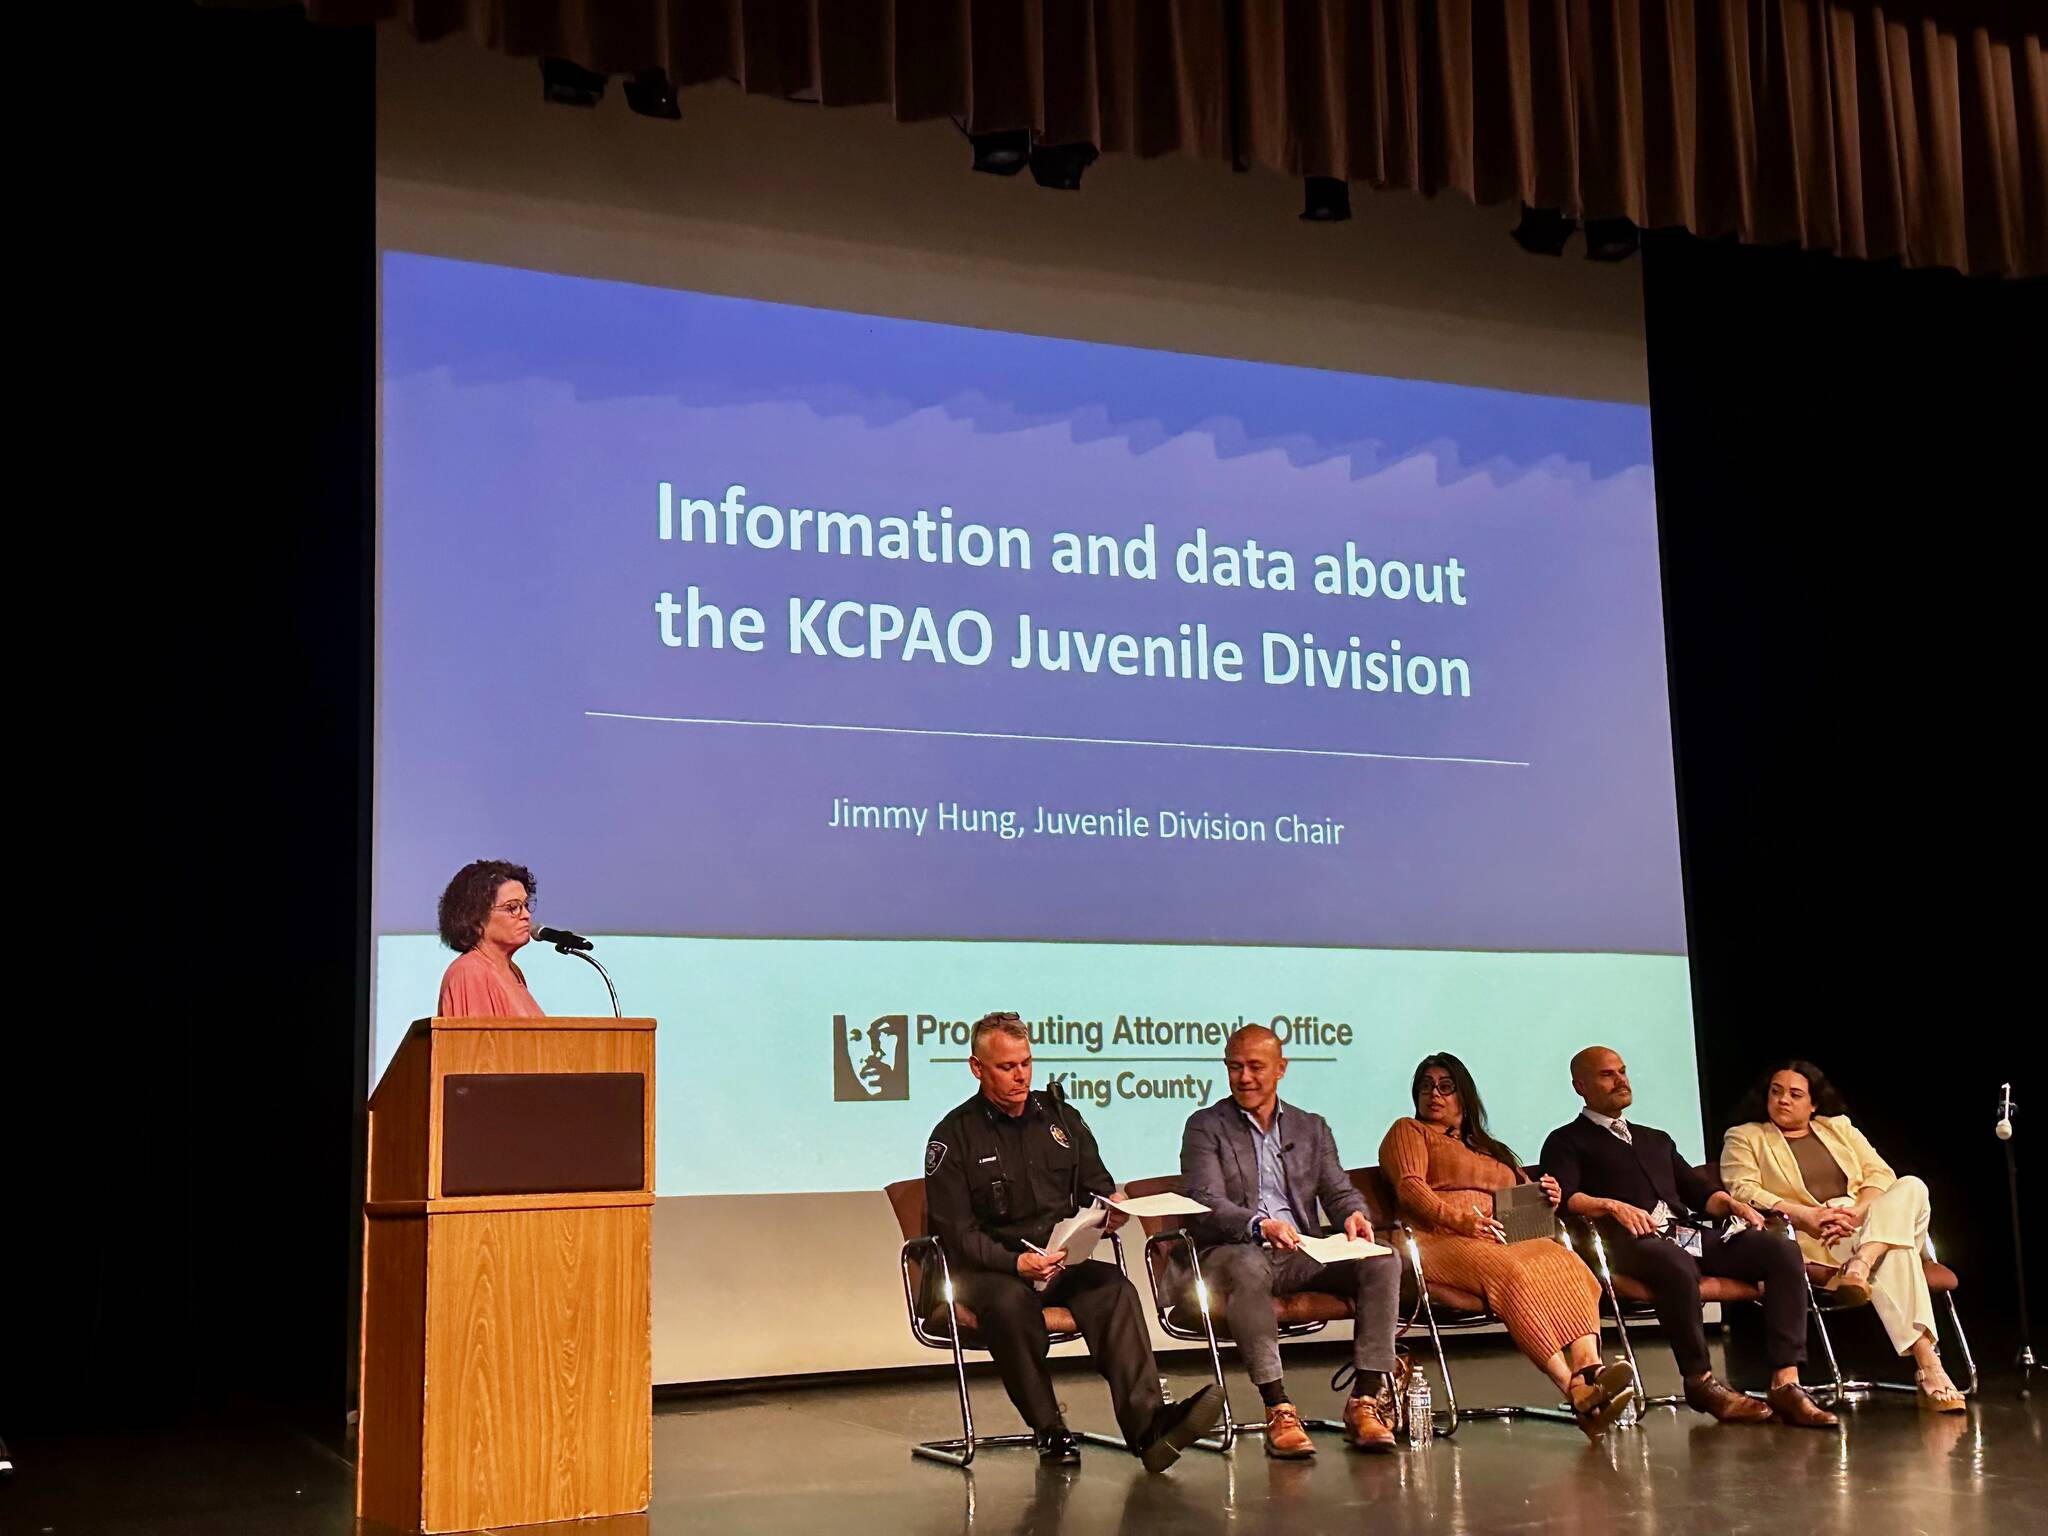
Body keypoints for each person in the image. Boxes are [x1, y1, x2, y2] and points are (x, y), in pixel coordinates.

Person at [922, 1012, 1224, 1470]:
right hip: (990, 1272)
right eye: (1006, 1067)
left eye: (1026, 1062)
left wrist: (1114, 1209)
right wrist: (1015, 1264)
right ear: (977, 1068)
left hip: (1059, 1259)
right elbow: (956, 1234)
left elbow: (1098, 1186)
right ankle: (1050, 1430)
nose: (1020, 1075)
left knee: (1114, 1290)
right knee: (1009, 1304)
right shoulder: (953, 1136)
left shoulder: (1060, 1118)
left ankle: (1151, 1427)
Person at [1542, 1046, 1837, 1428]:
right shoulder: (1566, 1140)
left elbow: (1700, 1194)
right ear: (1580, 1086)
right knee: (1673, 1262)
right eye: (1607, 1075)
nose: (1621, 1081)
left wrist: (1733, 1204)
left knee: (1779, 1251)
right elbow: (1564, 1197)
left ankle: (1786, 1382)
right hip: (1625, 1243)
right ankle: (1700, 1380)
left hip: (1684, 1234)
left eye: (1623, 1071)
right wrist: (1612, 1206)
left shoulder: (1655, 1139)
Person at [1378, 1053, 1636, 1441]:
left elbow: (1520, 1200)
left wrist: (1546, 1195)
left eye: (1445, 1086)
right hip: (1436, 1237)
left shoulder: (1490, 1149)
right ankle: (1573, 1389)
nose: (1434, 1094)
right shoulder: (1409, 1131)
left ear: (1463, 1096)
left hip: (1500, 1237)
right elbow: (1411, 1188)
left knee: (1567, 1261)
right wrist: (1460, 1219)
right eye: (1426, 1086)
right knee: (1513, 1274)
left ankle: (1589, 1371)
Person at [1176, 1025, 1404, 1456]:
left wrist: (1354, 1215)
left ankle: (1366, 1400)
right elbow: (1205, 1201)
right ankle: (1278, 1407)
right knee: (1247, 1265)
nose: (1244, 1077)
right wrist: (1259, 1224)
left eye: (1255, 1067)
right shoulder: (1205, 1126)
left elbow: (1338, 1190)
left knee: (1382, 1258)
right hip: (1233, 1252)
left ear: (1281, 1069)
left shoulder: (1311, 1127)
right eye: (1234, 1067)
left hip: (1301, 1251)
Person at [1720, 1060, 1964, 1411]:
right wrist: (1809, 1214)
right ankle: (1930, 1367)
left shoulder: (1839, 1128)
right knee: (1896, 1253)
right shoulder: (1745, 1137)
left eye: (1794, 1094)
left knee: (1911, 1185)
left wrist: (1857, 1213)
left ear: (1814, 1103)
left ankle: (1863, 1262)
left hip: (1862, 1221)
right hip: (1819, 1236)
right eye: (1776, 1092)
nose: (1783, 1100)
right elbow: (1742, 1191)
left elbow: (1880, 1174)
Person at [435, 859, 545, 1018]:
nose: (527, 915)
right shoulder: (469, 972)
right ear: (476, 917)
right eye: (513, 907)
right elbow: (480, 1042)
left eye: (526, 905)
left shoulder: (514, 972)